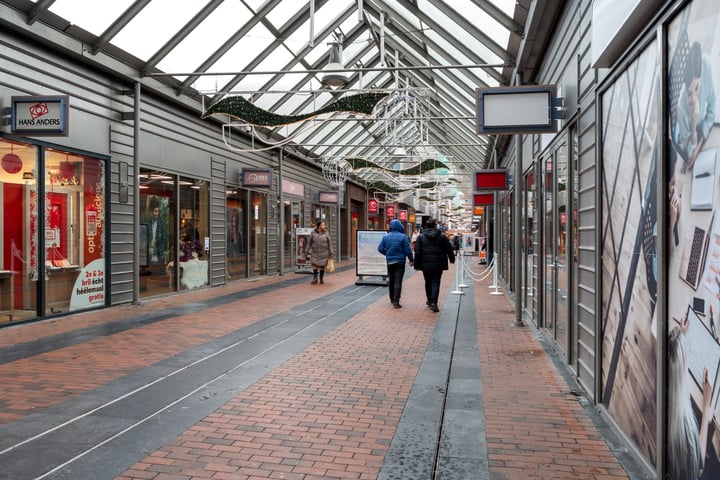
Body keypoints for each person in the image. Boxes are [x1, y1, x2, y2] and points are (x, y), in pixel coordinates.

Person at [667, 313, 713, 479]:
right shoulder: (685, 427)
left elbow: (673, 359)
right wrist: (707, 408)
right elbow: (698, 468)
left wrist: (681, 336)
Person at [676, 41, 716, 171]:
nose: (693, 98)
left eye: (697, 88)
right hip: (690, 134)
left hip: (702, 134)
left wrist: (698, 147)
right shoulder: (681, 106)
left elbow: (712, 110)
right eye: (689, 92)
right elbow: (686, 150)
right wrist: (693, 123)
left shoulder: (706, 65)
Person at [413, 218, 455, 312]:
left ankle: (429, 299)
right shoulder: (442, 237)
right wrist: (452, 259)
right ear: (435, 226)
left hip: (425, 264)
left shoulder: (421, 237)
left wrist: (416, 264)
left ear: (426, 226)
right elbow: (449, 249)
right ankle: (434, 303)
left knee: (428, 282)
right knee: (436, 282)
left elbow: (417, 252)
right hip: (438, 264)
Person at [377, 219, 414, 308]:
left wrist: (388, 254)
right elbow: (408, 250)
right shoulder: (403, 237)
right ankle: (396, 301)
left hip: (390, 261)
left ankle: (391, 298)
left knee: (391, 280)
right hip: (400, 262)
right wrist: (411, 260)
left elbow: (380, 248)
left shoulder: (386, 237)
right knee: (398, 281)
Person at [147, 195, 167, 265]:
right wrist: (149, 244)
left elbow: (164, 240)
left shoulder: (162, 224)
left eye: (158, 211)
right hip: (149, 254)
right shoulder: (148, 222)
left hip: (159, 254)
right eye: (155, 211)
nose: (157, 214)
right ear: (151, 211)